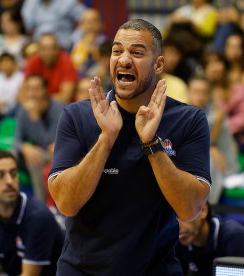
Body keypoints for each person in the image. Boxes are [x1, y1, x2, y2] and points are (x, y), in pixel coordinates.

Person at [48, 18, 211, 275]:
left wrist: (151, 143)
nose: (124, 60)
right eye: (117, 51)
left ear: (158, 64)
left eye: (136, 52)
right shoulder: (76, 116)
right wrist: (106, 139)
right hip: (82, 270)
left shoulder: (188, 119)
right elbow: (66, 204)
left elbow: (190, 209)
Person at [187, 74, 239, 204]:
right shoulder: (182, 112)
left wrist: (210, 147)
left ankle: (206, 208)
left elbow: (210, 143)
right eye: (196, 92)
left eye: (204, 92)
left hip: (223, 161)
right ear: (188, 92)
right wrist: (210, 148)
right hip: (207, 154)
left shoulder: (216, 114)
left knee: (209, 163)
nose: (200, 97)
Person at [176, 203, 244, 275]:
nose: (177, 227)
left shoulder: (234, 238)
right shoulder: (181, 239)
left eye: (181, 216)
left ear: (203, 210)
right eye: (172, 220)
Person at [15, 74, 64, 201]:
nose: (32, 94)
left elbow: (49, 143)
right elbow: (16, 141)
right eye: (29, 89)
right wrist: (25, 147)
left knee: (35, 159)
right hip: (38, 155)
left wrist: (35, 118)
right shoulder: (23, 111)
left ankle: (42, 207)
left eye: (36, 89)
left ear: (45, 90)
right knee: (10, 155)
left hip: (57, 156)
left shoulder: (59, 109)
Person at [24, 33, 78, 104]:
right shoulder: (33, 61)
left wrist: (39, 98)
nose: (48, 53)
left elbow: (65, 97)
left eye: (52, 48)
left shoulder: (66, 61)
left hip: (59, 105)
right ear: (39, 50)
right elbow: (24, 91)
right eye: (44, 49)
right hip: (37, 103)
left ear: (58, 49)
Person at [21, 0, 86, 50]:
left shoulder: (68, 2)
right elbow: (25, 25)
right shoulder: (31, 2)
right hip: (38, 47)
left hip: (63, 47)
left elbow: (87, 18)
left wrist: (73, 40)